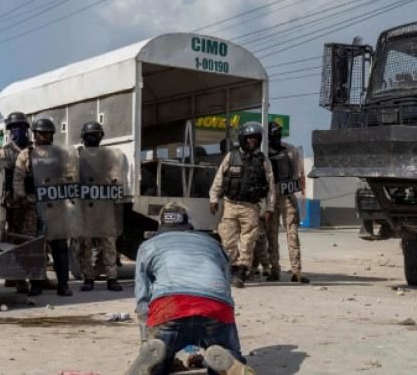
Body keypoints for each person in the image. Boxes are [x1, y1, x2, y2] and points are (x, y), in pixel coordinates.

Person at [126, 202, 256, 375]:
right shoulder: (213, 244)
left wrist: (146, 342)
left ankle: (156, 363)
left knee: (160, 359)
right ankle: (230, 361)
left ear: (160, 226)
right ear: (189, 226)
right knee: (227, 353)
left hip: (169, 307)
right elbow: (225, 287)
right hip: (214, 307)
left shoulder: (148, 246)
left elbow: (143, 300)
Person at [208, 121, 275, 288]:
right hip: (230, 204)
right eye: (249, 138)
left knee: (248, 242)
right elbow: (219, 178)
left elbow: (271, 185)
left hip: (251, 207)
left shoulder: (263, 161)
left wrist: (270, 208)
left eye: (255, 138)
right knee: (227, 241)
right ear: (243, 138)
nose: (252, 141)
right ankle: (229, 270)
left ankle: (241, 272)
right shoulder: (231, 156)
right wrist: (214, 199)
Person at [13, 118, 73, 297]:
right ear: (35, 135)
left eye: (49, 133)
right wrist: (22, 197)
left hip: (56, 207)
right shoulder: (26, 154)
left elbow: (70, 177)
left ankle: (63, 284)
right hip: (34, 207)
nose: (46, 136)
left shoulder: (60, 154)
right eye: (42, 133)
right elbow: (18, 179)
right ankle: (36, 283)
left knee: (60, 247)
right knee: (35, 248)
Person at [75, 121, 122, 292]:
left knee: (109, 241)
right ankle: (88, 278)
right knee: (85, 244)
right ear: (84, 138)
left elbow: (116, 176)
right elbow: (72, 178)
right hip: (85, 207)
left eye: (95, 135)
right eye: (89, 135)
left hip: (104, 206)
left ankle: (112, 277)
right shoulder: (78, 156)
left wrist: (114, 185)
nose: (92, 138)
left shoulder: (109, 155)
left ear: (100, 137)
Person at [262, 121, 309, 283]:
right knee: (272, 235)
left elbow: (297, 173)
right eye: (274, 133)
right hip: (272, 196)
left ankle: (296, 271)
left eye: (279, 132)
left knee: (292, 233)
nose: (277, 135)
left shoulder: (289, 150)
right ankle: (275, 270)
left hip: (287, 194)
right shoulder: (264, 152)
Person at [0, 112, 32, 293]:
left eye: (21, 128)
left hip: (30, 201)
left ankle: (26, 276)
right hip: (11, 201)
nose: (18, 131)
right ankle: (13, 277)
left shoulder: (32, 150)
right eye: (14, 128)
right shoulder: (4, 151)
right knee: (11, 237)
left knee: (30, 238)